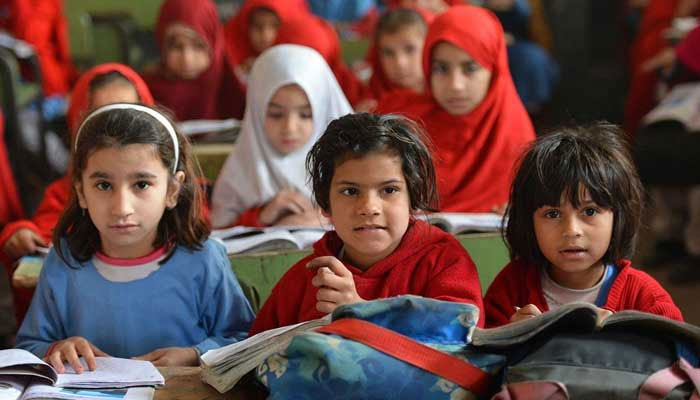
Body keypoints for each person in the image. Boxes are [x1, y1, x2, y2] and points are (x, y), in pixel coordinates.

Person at [15, 104, 254, 372]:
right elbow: (27, 347)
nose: (121, 207)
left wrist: (195, 354)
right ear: (81, 192)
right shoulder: (63, 263)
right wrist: (56, 349)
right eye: (103, 185)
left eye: (141, 184)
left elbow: (245, 340)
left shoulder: (204, 259)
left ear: (172, 189)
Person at [249, 112, 485, 335]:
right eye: (350, 191)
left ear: (413, 199)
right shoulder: (307, 278)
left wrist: (362, 312)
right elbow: (250, 355)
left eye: (389, 190)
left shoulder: (444, 263)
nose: (369, 208)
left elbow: (462, 338)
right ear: (325, 204)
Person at [483, 123, 683, 328]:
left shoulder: (646, 298)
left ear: (618, 216)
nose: (571, 231)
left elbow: (681, 357)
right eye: (552, 214)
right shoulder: (511, 287)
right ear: (528, 222)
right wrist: (510, 337)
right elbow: (479, 354)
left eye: (590, 211)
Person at [0, 63, 154, 325]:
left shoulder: (169, 189)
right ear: (79, 124)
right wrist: (21, 234)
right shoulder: (66, 193)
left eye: (129, 113)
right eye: (102, 117)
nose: (118, 130)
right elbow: (44, 237)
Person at [376, 4, 535, 213]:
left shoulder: (517, 139)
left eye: (470, 69)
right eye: (441, 68)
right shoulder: (399, 121)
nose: (455, 85)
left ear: (494, 70)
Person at [211, 45, 352, 228]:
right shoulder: (242, 170)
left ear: (323, 111)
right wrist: (260, 217)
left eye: (305, 115)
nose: (289, 128)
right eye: (276, 114)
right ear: (257, 112)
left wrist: (328, 220)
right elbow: (218, 234)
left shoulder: (349, 163)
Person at [143, 0, 245, 121]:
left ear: (213, 42)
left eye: (198, 46)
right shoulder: (145, 91)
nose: (187, 59)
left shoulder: (232, 87)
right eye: (176, 46)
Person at [224, 0, 310, 84]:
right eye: (258, 26)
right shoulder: (233, 55)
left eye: (275, 26)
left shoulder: (299, 62)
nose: (265, 35)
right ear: (246, 26)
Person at [364, 7, 432, 102]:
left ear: (428, 47)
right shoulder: (372, 105)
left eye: (410, 49)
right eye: (388, 53)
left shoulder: (448, 99)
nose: (400, 63)